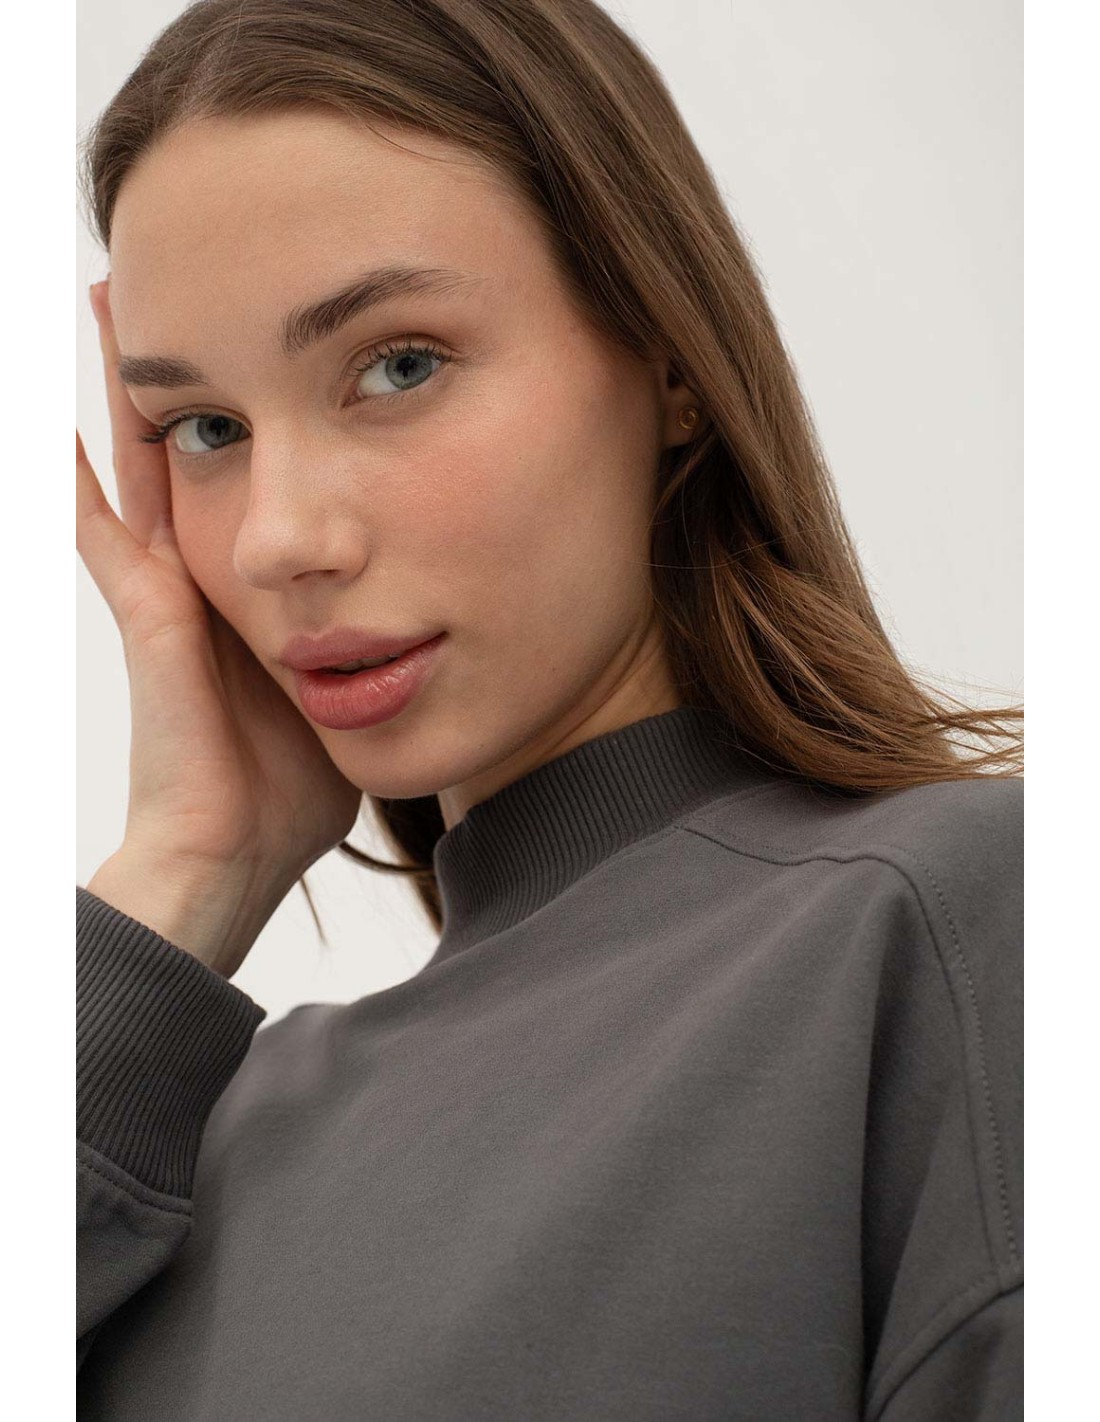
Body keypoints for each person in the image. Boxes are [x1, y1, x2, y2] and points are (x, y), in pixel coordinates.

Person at [75, 1, 1023, 1417]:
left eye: (398, 364)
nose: (276, 539)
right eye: (205, 427)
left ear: (671, 356)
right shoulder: (181, 1146)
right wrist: (184, 869)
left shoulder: (958, 933)